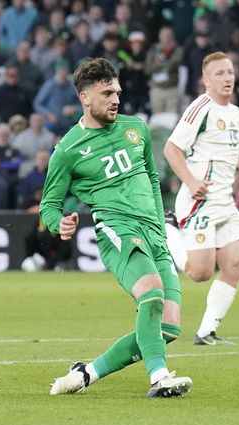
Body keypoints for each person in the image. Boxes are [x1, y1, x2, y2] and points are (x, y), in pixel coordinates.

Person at [39, 58, 192, 398]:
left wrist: (159, 222)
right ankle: (159, 378)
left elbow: (152, 178)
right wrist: (57, 223)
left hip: (154, 231)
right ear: (84, 97)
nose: (115, 99)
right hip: (117, 230)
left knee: (167, 327)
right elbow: (49, 204)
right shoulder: (67, 150)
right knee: (151, 294)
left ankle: (86, 373)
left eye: (117, 92)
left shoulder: (134, 127)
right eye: (107, 93)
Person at [163, 52, 239, 345]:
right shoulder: (200, 108)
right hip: (199, 201)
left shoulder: (235, 114)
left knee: (235, 264)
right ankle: (167, 231)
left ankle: (206, 331)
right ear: (205, 79)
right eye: (219, 73)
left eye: (229, 72)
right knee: (200, 273)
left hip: (224, 202)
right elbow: (171, 149)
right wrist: (190, 182)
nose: (227, 78)